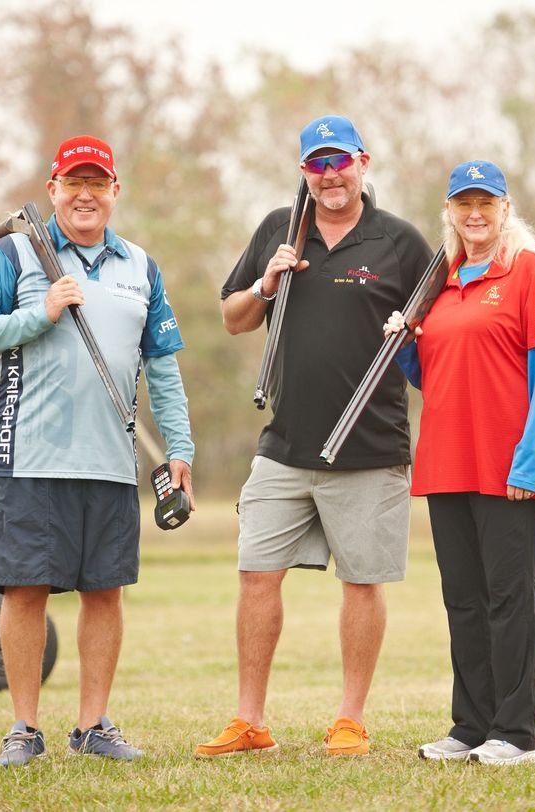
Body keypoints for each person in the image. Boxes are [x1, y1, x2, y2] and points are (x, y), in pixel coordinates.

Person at [0, 135, 195, 768]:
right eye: (73, 182)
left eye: (98, 182)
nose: (86, 194)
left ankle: (93, 727)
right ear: (53, 189)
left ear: (115, 192)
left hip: (111, 462)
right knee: (25, 591)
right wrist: (41, 314)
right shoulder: (12, 253)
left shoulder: (141, 265)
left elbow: (163, 369)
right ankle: (24, 728)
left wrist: (180, 450)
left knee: (105, 592)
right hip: (26, 458)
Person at [195, 115, 433, 758]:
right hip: (285, 444)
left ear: (364, 162)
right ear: (304, 171)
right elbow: (232, 317)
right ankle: (250, 722)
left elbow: (437, 334)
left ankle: (349, 719)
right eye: (317, 164)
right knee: (255, 575)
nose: (330, 175)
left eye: (340, 162)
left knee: (362, 581)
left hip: (372, 446)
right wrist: (265, 284)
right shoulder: (279, 227)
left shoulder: (402, 242)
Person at [385, 160, 535, 765]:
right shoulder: (442, 283)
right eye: (463, 204)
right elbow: (432, 376)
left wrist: (530, 460)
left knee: (508, 598)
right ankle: (472, 725)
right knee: (462, 599)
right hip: (446, 463)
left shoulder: (528, 272)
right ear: (450, 213)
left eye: (485, 202)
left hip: (506, 465)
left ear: (505, 210)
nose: (474, 214)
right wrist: (404, 343)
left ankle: (516, 733)